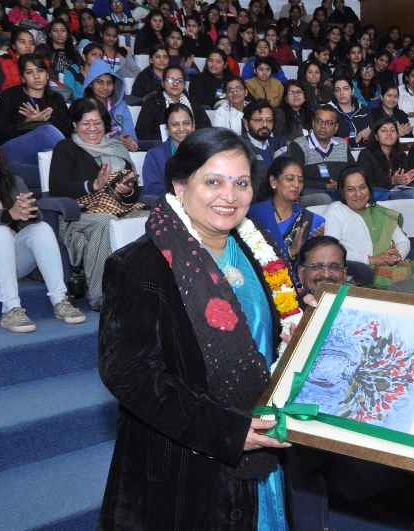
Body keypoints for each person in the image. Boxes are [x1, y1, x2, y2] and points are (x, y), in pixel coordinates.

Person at [98, 127, 296, 529]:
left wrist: (298, 338)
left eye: (241, 183)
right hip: (187, 463)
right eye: (213, 182)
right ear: (180, 185)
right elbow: (130, 375)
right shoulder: (138, 266)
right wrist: (228, 432)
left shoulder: (258, 252)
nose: (230, 196)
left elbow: (266, 338)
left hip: (262, 450)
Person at [0, 131, 85, 332]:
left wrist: (29, 213)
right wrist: (8, 214)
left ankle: (60, 300)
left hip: (10, 261)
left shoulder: (14, 181)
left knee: (41, 228)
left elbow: (34, 218)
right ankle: (11, 309)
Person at [50, 98, 140, 310]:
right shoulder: (66, 148)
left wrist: (126, 191)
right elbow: (57, 188)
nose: (92, 128)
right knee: (104, 222)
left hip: (120, 208)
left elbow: (134, 193)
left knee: (152, 219)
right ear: (75, 125)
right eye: (86, 123)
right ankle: (100, 296)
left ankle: (144, 289)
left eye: (97, 123)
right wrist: (93, 185)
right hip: (79, 214)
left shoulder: (118, 148)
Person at [324, 166, 411, 288]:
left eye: (362, 187)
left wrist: (397, 255)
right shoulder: (336, 211)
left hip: (389, 267)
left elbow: (403, 241)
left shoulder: (378, 212)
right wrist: (372, 259)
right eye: (351, 189)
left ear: (369, 189)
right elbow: (331, 251)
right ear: (342, 192)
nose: (358, 194)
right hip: (357, 273)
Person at [0, 53, 71, 168]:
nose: (36, 76)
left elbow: (67, 132)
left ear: (47, 75)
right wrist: (27, 123)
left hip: (48, 156)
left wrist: (45, 121)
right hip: (14, 154)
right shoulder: (9, 96)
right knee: (47, 131)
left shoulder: (56, 99)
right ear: (22, 78)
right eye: (29, 72)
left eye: (40, 71)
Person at [248, 156, 325, 265]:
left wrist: (317, 245)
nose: (296, 185)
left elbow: (311, 264)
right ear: (273, 181)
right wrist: (290, 251)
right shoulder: (255, 213)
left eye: (300, 180)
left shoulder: (312, 221)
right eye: (290, 179)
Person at [286, 105, 355, 203]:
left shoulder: (342, 144)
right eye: (319, 121)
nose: (323, 126)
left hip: (339, 190)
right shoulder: (299, 145)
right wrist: (324, 185)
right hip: (311, 193)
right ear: (313, 123)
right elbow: (293, 179)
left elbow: (353, 172)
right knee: (324, 199)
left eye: (329, 123)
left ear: (336, 128)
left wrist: (341, 183)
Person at [357, 116, 414, 200]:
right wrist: (391, 181)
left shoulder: (401, 155)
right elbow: (364, 183)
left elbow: (403, 181)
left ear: (397, 135)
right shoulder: (366, 154)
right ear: (376, 136)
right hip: (378, 193)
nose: (389, 133)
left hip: (397, 190)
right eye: (384, 130)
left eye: (392, 130)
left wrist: (405, 179)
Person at [135, 65, 210, 141]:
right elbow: (142, 133)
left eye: (180, 80)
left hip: (192, 144)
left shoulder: (193, 102)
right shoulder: (152, 103)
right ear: (163, 83)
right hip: (163, 145)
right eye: (170, 80)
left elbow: (206, 127)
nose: (175, 84)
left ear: (184, 85)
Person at [83, 59, 138, 152]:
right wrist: (116, 140)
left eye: (109, 83)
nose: (105, 87)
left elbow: (131, 133)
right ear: (91, 84)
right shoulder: (84, 107)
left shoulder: (121, 105)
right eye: (100, 82)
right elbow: (87, 138)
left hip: (122, 151)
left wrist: (130, 141)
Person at [142, 103, 193, 197]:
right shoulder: (155, 155)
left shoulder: (205, 152)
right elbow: (152, 190)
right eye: (175, 124)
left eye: (186, 123)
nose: (181, 128)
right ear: (167, 128)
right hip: (169, 203)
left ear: (193, 126)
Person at [240, 99, 287, 193]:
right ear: (245, 123)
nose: (265, 125)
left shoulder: (279, 143)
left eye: (269, 121)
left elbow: (287, 173)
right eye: (258, 120)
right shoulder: (240, 147)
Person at [0, 28, 35, 95]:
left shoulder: (40, 63)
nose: (28, 46)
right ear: (14, 46)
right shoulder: (4, 63)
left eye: (31, 42)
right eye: (22, 42)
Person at [328, 76, 370, 147]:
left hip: (365, 151)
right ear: (334, 93)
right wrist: (357, 138)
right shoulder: (328, 112)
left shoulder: (363, 110)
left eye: (346, 89)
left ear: (352, 91)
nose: (342, 93)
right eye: (337, 90)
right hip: (340, 152)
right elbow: (325, 141)